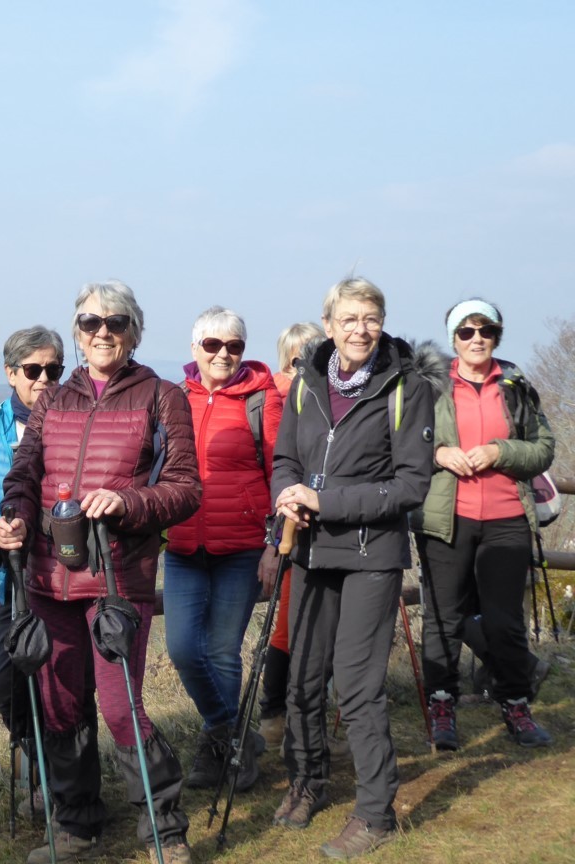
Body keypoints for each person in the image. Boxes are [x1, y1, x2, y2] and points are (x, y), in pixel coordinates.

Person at [0, 281, 202, 864]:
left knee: (118, 707)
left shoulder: (162, 397)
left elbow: (185, 489)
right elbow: (23, 474)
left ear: (134, 330)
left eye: (115, 322)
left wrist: (127, 503)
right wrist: (13, 516)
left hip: (116, 579)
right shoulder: (53, 400)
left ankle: (165, 826)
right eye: (90, 323)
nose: (102, 332)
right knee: (60, 705)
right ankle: (77, 824)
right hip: (48, 577)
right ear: (78, 331)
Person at [270, 277, 441, 859]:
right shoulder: (307, 381)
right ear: (329, 323)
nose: (360, 328)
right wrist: (287, 492)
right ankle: (308, 779)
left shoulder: (407, 387)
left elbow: (411, 484)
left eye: (370, 317)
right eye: (349, 318)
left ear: (382, 321)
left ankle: (375, 814)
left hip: (372, 554)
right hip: (311, 551)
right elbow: (286, 457)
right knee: (303, 678)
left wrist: (326, 502)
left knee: (360, 687)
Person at [410, 299, 554, 749]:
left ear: (497, 335)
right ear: (453, 338)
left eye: (485, 331)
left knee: (504, 621)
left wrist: (499, 452)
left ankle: (515, 705)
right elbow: (401, 445)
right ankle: (441, 708)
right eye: (467, 332)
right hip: (445, 519)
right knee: (443, 619)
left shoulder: (515, 384)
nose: (477, 339)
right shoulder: (429, 386)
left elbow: (543, 448)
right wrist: (437, 454)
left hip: (507, 517)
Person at [164, 306, 282, 792]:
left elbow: (283, 473)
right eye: (212, 345)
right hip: (184, 544)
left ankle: (221, 756)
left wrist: (276, 545)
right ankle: (231, 734)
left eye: (234, 345)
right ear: (194, 349)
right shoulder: (174, 399)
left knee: (222, 651)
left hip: (242, 546)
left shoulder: (262, 399)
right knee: (182, 649)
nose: (223, 354)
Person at [0, 325, 76, 817]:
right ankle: (36, 764)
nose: (44, 379)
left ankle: (62, 790)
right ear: (10, 372)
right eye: (33, 370)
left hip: (59, 580)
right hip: (8, 579)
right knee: (2, 680)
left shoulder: (75, 420)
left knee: (60, 684)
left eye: (53, 370)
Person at [260, 321, 324, 749]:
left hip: (325, 521)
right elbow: (277, 464)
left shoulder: (321, 398)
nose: (303, 364)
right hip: (288, 525)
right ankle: (276, 716)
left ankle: (292, 719)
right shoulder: (277, 400)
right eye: (297, 356)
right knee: (289, 625)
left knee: (314, 624)